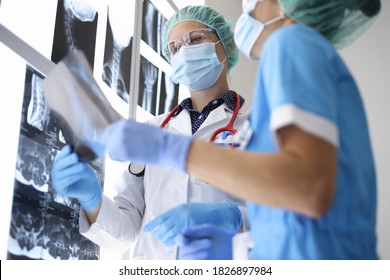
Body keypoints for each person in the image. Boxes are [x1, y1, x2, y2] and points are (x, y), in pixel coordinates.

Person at [100, 0, 381, 260]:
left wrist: (171, 149)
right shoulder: (309, 53)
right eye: (174, 47)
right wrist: (240, 247)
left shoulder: (291, 44)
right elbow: (295, 210)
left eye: (196, 40)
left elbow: (308, 188)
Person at [50, 5, 251, 260]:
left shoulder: (255, 125)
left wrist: (234, 219)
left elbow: (287, 214)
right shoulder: (153, 130)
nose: (185, 52)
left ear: (225, 45)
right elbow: (126, 232)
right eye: (175, 48)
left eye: (196, 39)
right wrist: (92, 200)